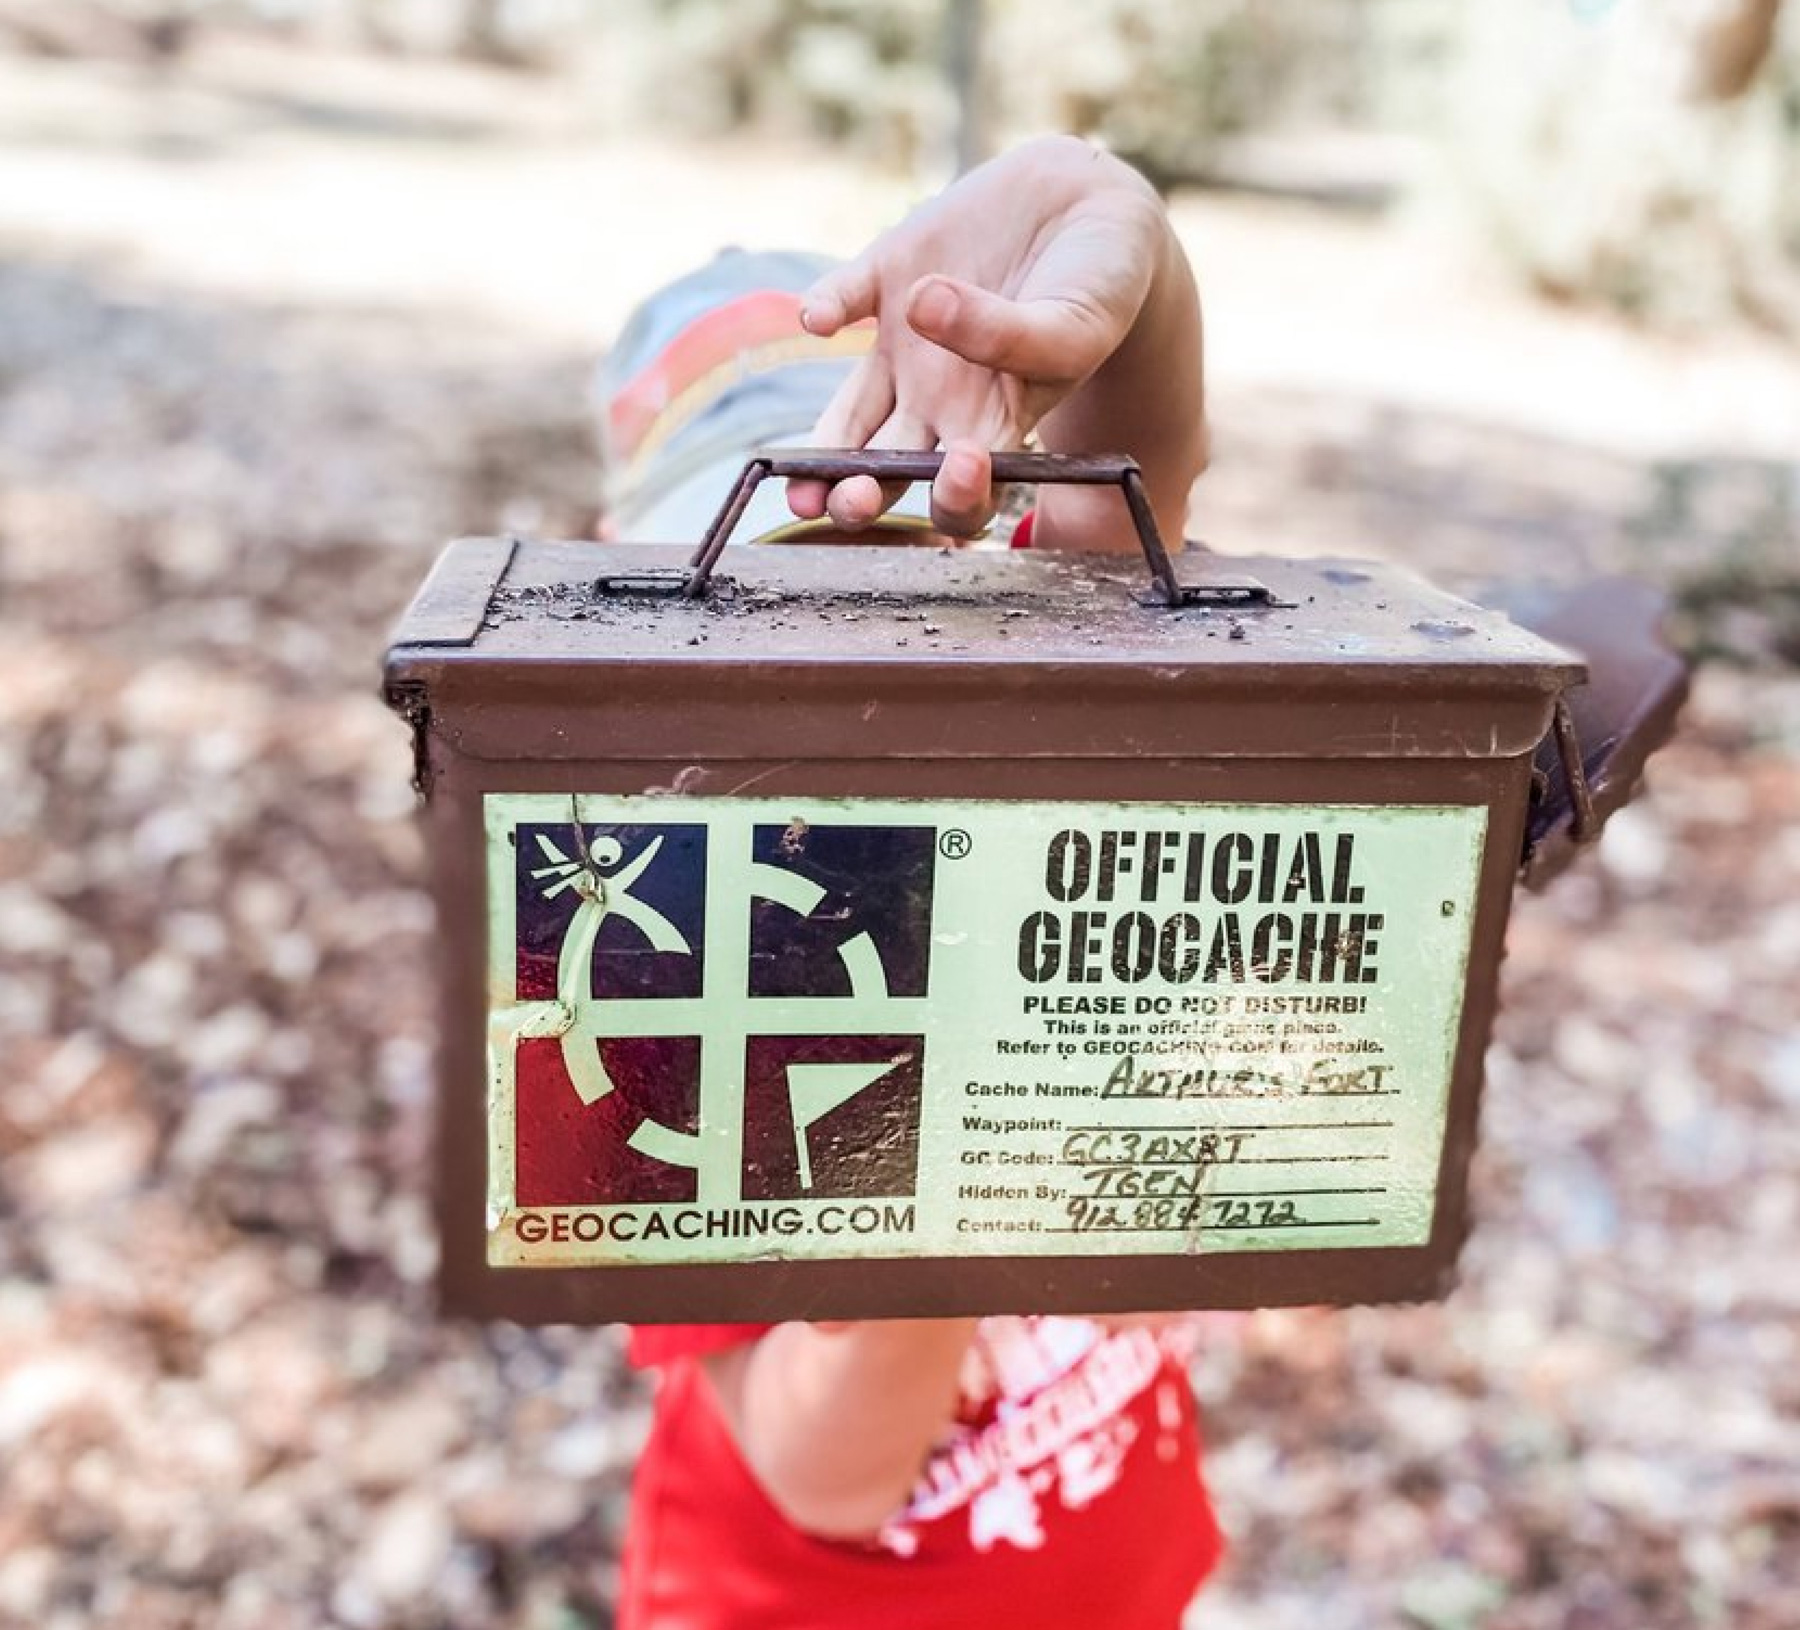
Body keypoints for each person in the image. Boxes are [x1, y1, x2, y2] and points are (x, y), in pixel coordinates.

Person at [605, 136, 1222, 1630]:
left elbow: (1137, 476)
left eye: (904, 612)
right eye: (779, 636)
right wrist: (964, 1110)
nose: (852, 700)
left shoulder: (1063, 765)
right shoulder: (672, 979)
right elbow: (823, 1469)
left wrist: (1117, 227)